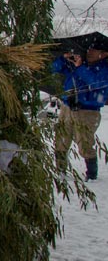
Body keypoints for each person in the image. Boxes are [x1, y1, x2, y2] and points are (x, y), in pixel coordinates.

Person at [52, 47, 108, 181]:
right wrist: (63, 58)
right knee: (61, 139)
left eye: (94, 50)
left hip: (88, 111)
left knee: (84, 142)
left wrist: (81, 67)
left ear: (104, 54)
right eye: (89, 50)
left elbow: (95, 83)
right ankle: (60, 170)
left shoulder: (104, 68)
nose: (89, 52)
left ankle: (92, 175)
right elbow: (53, 69)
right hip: (67, 107)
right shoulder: (78, 63)